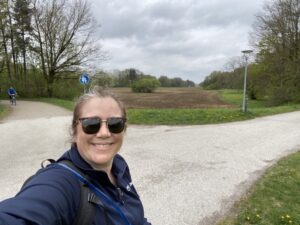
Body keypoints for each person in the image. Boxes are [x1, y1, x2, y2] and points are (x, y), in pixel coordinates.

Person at [0, 86, 151, 225]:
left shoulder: (119, 165)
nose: (104, 133)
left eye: (115, 124)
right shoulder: (61, 182)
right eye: (91, 124)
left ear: (124, 129)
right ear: (74, 131)